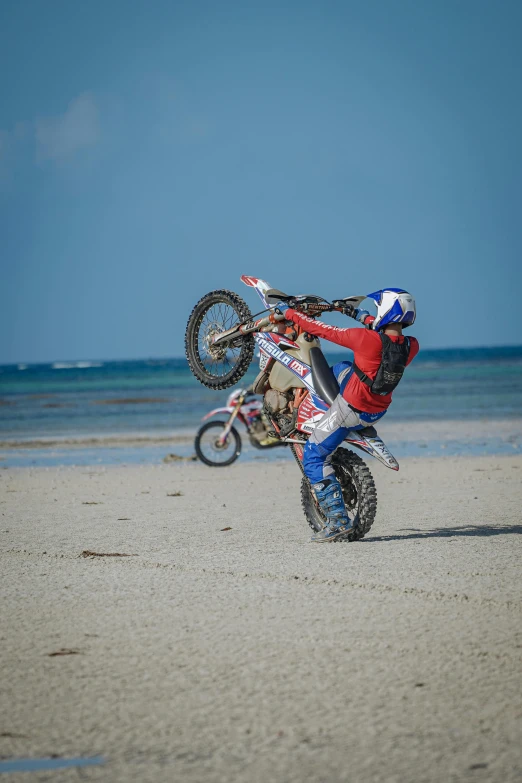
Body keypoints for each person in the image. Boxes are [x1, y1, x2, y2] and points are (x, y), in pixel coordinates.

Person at [276, 289, 419, 543]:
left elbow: (322, 330)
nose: (375, 314)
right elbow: (380, 332)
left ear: (386, 311)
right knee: (342, 368)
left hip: (351, 410)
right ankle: (314, 406)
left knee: (313, 454)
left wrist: (289, 313)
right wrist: (355, 313)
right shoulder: (411, 346)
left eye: (378, 309)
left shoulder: (366, 340)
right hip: (378, 408)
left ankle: (337, 521)